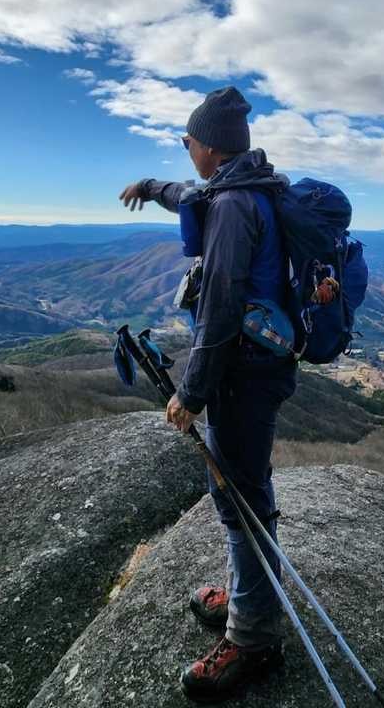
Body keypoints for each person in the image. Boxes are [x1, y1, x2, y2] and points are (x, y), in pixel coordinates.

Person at [119, 85, 297, 703]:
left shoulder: (233, 208)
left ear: (211, 148)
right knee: (240, 495)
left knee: (242, 503)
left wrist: (190, 394)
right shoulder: (246, 186)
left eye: (188, 141)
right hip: (253, 370)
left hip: (241, 377)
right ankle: (248, 599)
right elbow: (186, 193)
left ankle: (253, 639)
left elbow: (220, 309)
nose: (185, 148)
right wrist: (150, 186)